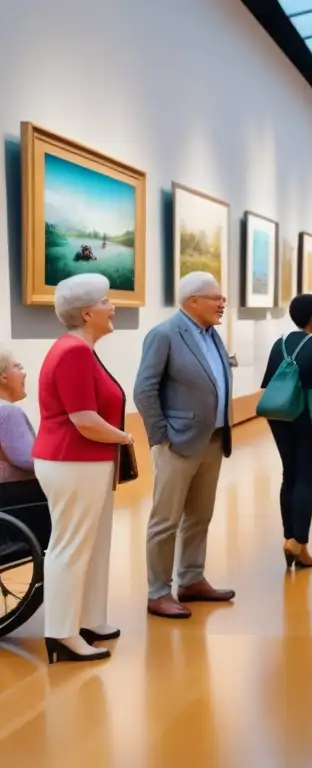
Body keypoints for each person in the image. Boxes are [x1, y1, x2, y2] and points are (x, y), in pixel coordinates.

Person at [31, 274, 134, 663]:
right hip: (71, 460)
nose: (113, 308)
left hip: (86, 461)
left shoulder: (81, 348)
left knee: (93, 542)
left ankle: (89, 617)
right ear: (88, 312)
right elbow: (84, 419)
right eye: (107, 302)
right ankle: (61, 632)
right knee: (71, 546)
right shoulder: (73, 352)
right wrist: (123, 438)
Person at [134, 271, 234, 620]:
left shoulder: (212, 335)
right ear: (193, 301)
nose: (223, 303)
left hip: (213, 438)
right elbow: (144, 389)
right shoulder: (164, 335)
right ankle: (158, 591)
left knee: (200, 516)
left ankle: (191, 579)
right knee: (166, 519)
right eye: (216, 297)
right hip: (177, 442)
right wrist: (161, 436)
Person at [261, 293, 312, 569]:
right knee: (306, 478)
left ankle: (292, 540)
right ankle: (299, 542)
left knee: (290, 474)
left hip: (281, 416)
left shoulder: (279, 344)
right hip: (310, 417)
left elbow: (269, 384)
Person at [0, 349, 36, 483]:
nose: (24, 374)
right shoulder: (7, 411)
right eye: (18, 367)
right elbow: (27, 459)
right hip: (14, 495)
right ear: (3, 377)